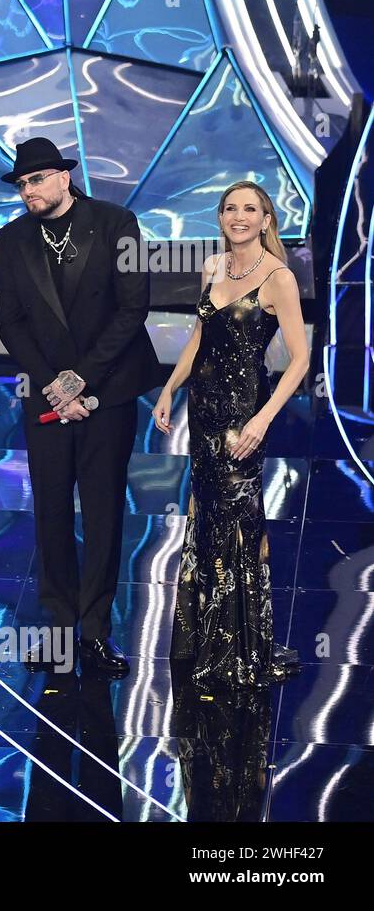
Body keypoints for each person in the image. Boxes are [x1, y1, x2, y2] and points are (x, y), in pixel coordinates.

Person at [0, 137, 163, 678]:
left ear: (63, 177)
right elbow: (11, 323)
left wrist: (81, 379)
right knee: (49, 513)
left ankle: (95, 631)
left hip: (106, 393)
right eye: (21, 185)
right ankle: (59, 626)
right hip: (46, 396)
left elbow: (132, 305)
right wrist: (53, 386)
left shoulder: (117, 223)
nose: (28, 192)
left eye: (36, 180)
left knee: (104, 509)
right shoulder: (11, 238)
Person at [153, 180, 308, 688]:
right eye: (230, 209)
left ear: (266, 219)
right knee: (208, 515)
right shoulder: (214, 268)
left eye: (250, 209)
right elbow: (200, 336)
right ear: (220, 218)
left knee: (237, 524)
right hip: (203, 410)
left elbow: (300, 359)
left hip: (244, 415)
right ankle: (207, 636)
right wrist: (169, 389)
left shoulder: (278, 277)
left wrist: (263, 419)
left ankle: (241, 645)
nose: (239, 216)